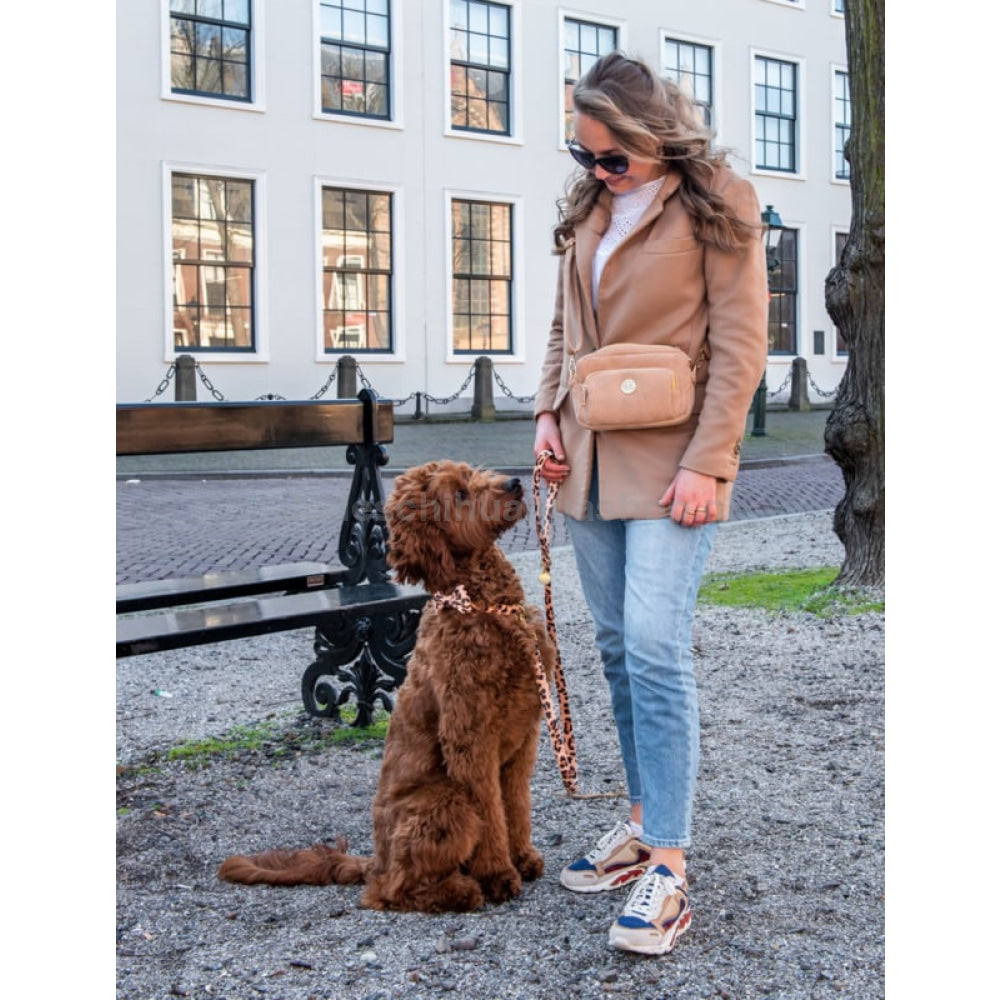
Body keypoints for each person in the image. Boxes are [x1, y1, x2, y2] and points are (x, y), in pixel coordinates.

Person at [533, 51, 768, 956]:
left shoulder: (719, 202)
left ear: (650, 136)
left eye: (611, 158)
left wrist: (710, 464)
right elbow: (565, 324)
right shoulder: (590, 205)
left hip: (675, 462)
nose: (596, 171)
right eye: (583, 156)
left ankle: (668, 864)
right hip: (588, 458)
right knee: (619, 647)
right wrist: (548, 411)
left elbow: (742, 345)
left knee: (660, 647)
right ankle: (638, 819)